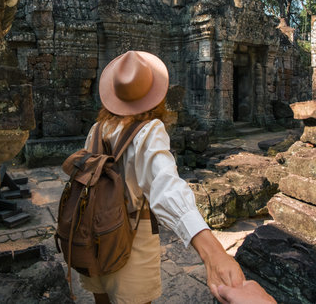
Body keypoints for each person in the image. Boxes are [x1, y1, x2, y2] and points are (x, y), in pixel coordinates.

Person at [79, 50, 245, 304]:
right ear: (155, 96)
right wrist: (212, 251)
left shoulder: (97, 128)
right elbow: (165, 186)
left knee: (101, 299)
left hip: (92, 231)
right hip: (130, 237)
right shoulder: (148, 130)